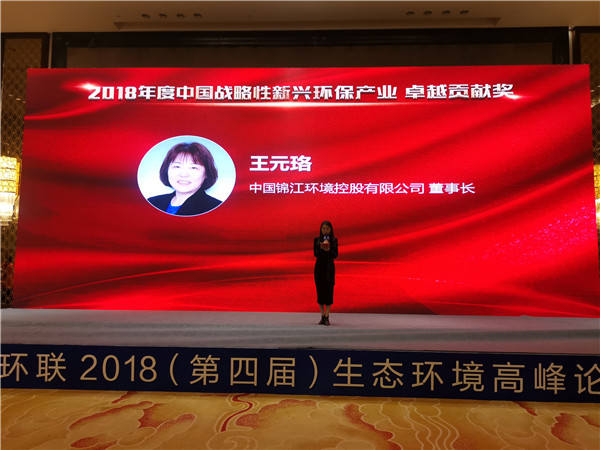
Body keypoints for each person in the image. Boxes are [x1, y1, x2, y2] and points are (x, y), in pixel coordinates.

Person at [148, 142, 222, 216]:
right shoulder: (152, 202)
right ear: (166, 170)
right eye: (177, 166)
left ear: (206, 173)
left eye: (193, 168)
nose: (183, 174)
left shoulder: (217, 208)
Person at [314, 220, 338, 325]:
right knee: (320, 292)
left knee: (329, 292)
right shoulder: (317, 240)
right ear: (320, 229)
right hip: (319, 268)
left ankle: (327, 316)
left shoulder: (334, 240)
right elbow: (315, 254)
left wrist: (329, 250)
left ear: (331, 229)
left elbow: (335, 255)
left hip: (329, 269)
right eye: (323, 228)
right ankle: (322, 315)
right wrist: (321, 248)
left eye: (327, 228)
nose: (325, 230)